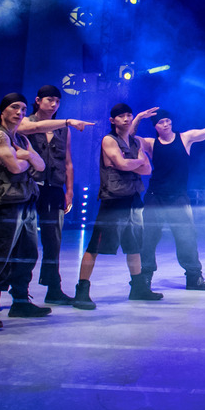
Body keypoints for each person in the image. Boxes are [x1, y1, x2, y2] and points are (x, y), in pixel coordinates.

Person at [0, 94, 52, 331]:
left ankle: (21, 302)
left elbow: (41, 166)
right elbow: (14, 167)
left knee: (28, 254)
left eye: (23, 108)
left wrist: (27, 155)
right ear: (3, 110)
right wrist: (26, 159)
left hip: (26, 201)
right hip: (7, 203)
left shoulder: (21, 139)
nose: (20, 112)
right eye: (14, 107)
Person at [137, 110, 205, 292]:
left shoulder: (185, 138)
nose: (166, 124)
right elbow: (129, 139)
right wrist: (138, 118)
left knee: (187, 237)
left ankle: (194, 278)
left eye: (168, 120)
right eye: (161, 122)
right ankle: (144, 280)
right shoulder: (151, 143)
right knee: (149, 238)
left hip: (178, 197)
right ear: (155, 126)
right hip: (155, 196)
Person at [72, 104, 159, 309]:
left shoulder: (135, 141)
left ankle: (138, 288)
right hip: (113, 200)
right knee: (95, 246)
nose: (126, 119)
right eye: (122, 116)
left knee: (134, 245)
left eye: (129, 115)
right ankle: (82, 291)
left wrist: (131, 163)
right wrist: (135, 162)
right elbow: (121, 164)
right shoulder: (109, 140)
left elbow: (147, 169)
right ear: (113, 120)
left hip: (133, 199)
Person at [22, 85, 78, 305]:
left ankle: (54, 289)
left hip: (54, 187)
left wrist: (69, 190)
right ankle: (7, 290)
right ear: (38, 100)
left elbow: (68, 161)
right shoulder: (26, 122)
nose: (54, 104)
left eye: (57, 101)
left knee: (53, 240)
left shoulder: (63, 129)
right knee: (23, 240)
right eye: (49, 100)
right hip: (29, 186)